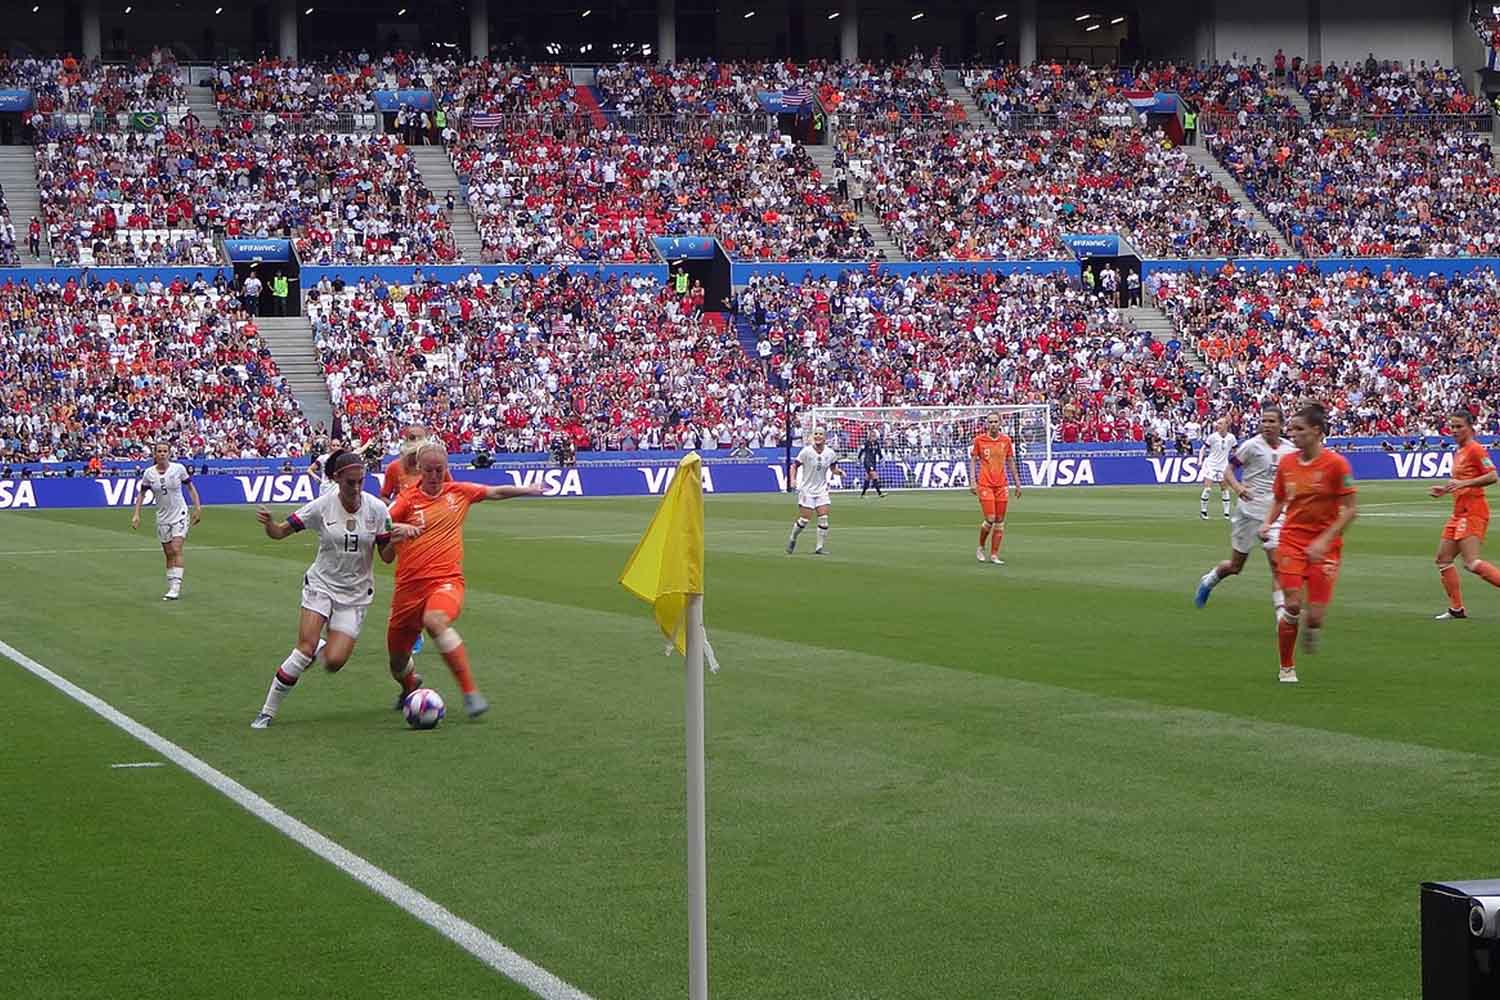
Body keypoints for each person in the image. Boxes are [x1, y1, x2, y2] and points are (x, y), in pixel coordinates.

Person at [250, 450, 419, 729]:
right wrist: (270, 524)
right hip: (322, 584)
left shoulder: (377, 509)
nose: (356, 488)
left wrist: (398, 539)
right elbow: (279, 532)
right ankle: (267, 712)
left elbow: (386, 557)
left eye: (360, 481)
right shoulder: (321, 506)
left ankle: (321, 646)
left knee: (333, 662)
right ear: (337, 479)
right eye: (350, 482)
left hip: (355, 594)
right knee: (303, 649)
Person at [383, 443, 544, 718]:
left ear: (446, 468)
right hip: (408, 590)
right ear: (420, 469)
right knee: (397, 663)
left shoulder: (458, 492)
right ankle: (409, 685)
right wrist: (397, 529)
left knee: (435, 621)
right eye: (429, 470)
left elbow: (494, 492)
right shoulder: (406, 500)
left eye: (440, 470)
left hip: (446, 582)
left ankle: (471, 693)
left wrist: (527, 489)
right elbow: (379, 527)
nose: (435, 476)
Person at [1260, 403, 1358, 684]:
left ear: (1316, 431)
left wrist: (1325, 540)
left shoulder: (1336, 465)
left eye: (1299, 429)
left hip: (1325, 546)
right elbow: (1280, 498)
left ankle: (1312, 627)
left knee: (1314, 616)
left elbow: (1351, 509)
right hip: (1291, 539)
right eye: (1291, 429)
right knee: (1292, 604)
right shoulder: (1287, 463)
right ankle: (1286, 667)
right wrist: (1267, 523)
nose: (1292, 434)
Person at [1195, 405, 1296, 610]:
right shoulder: (1251, 446)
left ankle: (1282, 618)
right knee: (1235, 566)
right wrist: (1238, 488)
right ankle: (1209, 580)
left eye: (1272, 421)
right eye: (1264, 421)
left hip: (1275, 513)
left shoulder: (1290, 449)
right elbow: (1228, 469)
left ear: (1281, 424)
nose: (1267, 425)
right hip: (1249, 511)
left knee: (1277, 565)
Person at [1431, 410, 1500, 620]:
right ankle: (1457, 609)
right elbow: (1460, 482)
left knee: (1471, 562)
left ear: (1470, 428)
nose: (1454, 430)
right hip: (1458, 512)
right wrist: (1445, 490)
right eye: (1452, 426)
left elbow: (1492, 476)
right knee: (1443, 559)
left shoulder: (1475, 449)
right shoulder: (1459, 451)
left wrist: (1463, 483)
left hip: (1473, 511)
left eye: (1459, 426)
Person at [130, 442, 203, 601]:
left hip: (180, 513)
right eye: (159, 451)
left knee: (176, 548)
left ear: (169, 453)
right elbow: (141, 494)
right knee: (168, 553)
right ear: (155, 454)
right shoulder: (149, 473)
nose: (162, 454)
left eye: (165, 451)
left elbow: (190, 488)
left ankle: (176, 587)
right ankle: (171, 585)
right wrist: (136, 514)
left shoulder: (178, 469)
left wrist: (197, 508)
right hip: (163, 516)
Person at [969, 412, 1021, 564]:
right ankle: (980, 547)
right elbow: (973, 460)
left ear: (1000, 423)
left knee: (1000, 520)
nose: (993, 424)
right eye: (990, 422)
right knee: (990, 518)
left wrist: (1017, 483)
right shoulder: (979, 440)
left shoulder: (1006, 440)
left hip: (1002, 485)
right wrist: (972, 481)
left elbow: (1010, 461)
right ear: (987, 424)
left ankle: (994, 555)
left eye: (995, 421)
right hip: (985, 484)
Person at [787, 428, 840, 555]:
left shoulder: (830, 453)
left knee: (823, 519)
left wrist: (839, 472)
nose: (818, 436)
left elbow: (833, 468)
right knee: (804, 520)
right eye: (816, 434)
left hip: (822, 490)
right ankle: (793, 537)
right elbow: (794, 466)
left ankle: (819, 548)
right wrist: (793, 480)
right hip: (807, 490)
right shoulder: (806, 451)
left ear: (825, 437)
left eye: (821, 434)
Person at [382, 424, 443, 500]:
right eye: (412, 438)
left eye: (420, 438)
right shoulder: (393, 467)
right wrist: (396, 505)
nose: (416, 441)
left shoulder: (436, 465)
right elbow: (384, 496)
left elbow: (451, 492)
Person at [1197, 417, 1237, 520]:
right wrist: (1200, 460)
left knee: (1224, 489)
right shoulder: (1213, 437)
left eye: (1220, 423)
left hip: (1223, 466)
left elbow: (1235, 451)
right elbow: (1203, 449)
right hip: (1211, 465)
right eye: (1217, 423)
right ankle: (1203, 512)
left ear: (1226, 425)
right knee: (1207, 489)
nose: (1217, 425)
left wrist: (1236, 462)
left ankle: (1226, 514)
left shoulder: (1231, 438)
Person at [859, 431, 885, 498]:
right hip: (867, 462)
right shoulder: (866, 443)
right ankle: (880, 493)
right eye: (873, 436)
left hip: (873, 462)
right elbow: (861, 451)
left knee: (868, 478)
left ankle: (862, 494)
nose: (874, 437)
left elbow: (879, 452)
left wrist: (882, 459)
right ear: (870, 436)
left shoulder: (877, 443)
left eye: (875, 436)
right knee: (874, 475)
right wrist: (859, 459)